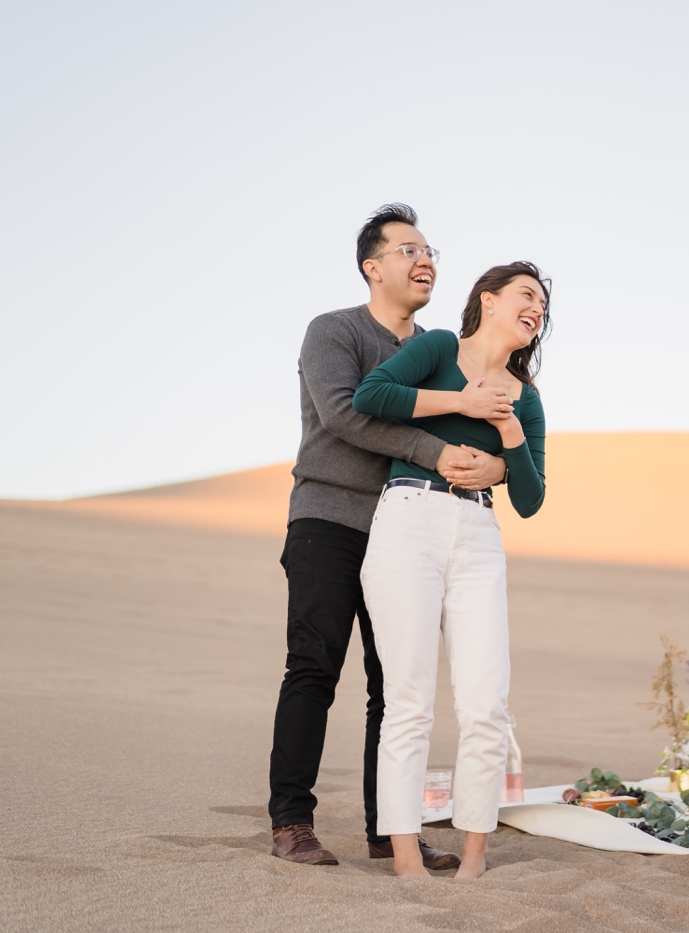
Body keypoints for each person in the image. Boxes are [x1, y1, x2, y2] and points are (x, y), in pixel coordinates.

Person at [269, 204, 512, 868]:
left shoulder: (437, 351)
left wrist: (496, 464)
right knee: (314, 667)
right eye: (408, 249)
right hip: (326, 518)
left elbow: (478, 434)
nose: (425, 258)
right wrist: (434, 451)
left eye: (430, 248)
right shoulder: (334, 331)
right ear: (372, 267)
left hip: (406, 535)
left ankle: (389, 829)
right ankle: (291, 820)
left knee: (396, 685)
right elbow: (344, 413)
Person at [352, 261, 550, 878]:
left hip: (480, 535)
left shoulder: (529, 397)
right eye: (527, 296)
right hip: (409, 519)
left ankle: (472, 858)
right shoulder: (437, 347)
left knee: (487, 704)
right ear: (488, 301)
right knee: (408, 699)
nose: (537, 310)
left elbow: (530, 497)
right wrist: (463, 401)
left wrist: (508, 437)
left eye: (543, 305)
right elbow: (371, 397)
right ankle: (407, 860)